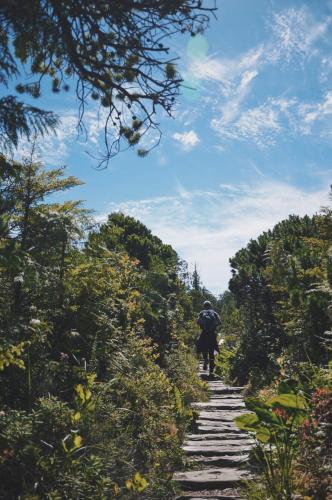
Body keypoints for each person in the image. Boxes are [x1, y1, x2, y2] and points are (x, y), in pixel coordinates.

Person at [196, 300, 221, 377]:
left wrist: (203, 326)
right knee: (212, 350)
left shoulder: (201, 313)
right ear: (210, 306)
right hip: (212, 334)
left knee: (202, 346)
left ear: (204, 306)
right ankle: (211, 370)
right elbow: (219, 322)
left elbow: (198, 322)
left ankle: (205, 359)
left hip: (204, 333)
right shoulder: (214, 313)